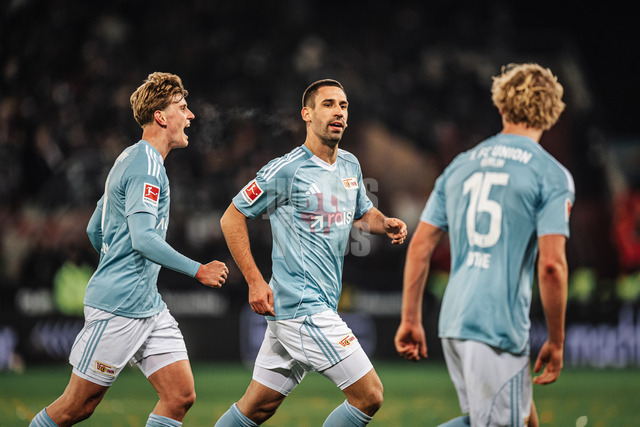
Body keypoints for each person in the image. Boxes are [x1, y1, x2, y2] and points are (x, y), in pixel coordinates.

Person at [29, 72, 229, 427]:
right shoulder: (146, 167)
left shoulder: (129, 157)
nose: (191, 115)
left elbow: (94, 228)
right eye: (183, 107)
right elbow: (143, 239)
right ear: (161, 117)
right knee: (76, 407)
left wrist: (117, 263)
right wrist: (198, 269)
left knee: (179, 396)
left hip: (148, 306)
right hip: (119, 308)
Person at [215, 79, 407, 426]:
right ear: (307, 114)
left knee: (257, 407)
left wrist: (384, 223)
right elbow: (232, 217)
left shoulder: (349, 165)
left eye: (343, 106)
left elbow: (363, 213)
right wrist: (255, 281)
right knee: (370, 395)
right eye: (328, 104)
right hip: (302, 308)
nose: (338, 112)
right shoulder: (287, 169)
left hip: (308, 307)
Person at [394, 63, 574, 427]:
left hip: (455, 320)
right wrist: (556, 341)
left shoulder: (460, 165)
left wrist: (410, 319)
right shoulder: (551, 174)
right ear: (552, 112)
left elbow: (420, 246)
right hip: (496, 326)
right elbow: (551, 265)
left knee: (523, 421)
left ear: (501, 106)